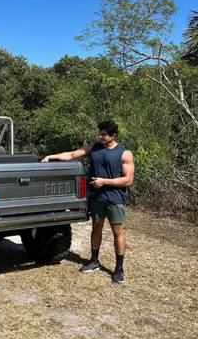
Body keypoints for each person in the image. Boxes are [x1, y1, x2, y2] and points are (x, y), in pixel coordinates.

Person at [42, 119, 134, 283]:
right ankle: (94, 261)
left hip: (115, 198)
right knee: (96, 227)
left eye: (104, 134)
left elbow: (128, 180)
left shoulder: (124, 153)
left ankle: (119, 269)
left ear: (113, 135)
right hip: (97, 198)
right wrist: (51, 156)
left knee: (117, 231)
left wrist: (104, 181)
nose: (100, 136)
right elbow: (72, 155)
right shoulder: (94, 147)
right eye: (99, 133)